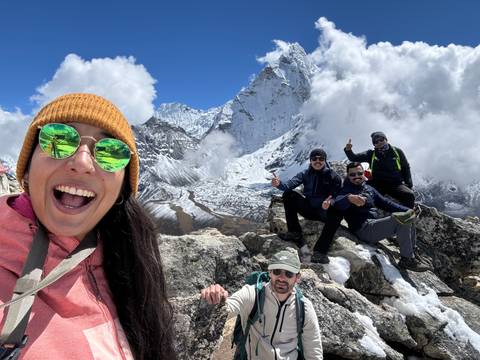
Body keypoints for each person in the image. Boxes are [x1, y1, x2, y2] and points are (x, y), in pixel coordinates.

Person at [0, 93, 176, 359]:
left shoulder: (131, 264)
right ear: (25, 169)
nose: (81, 163)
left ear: (122, 188)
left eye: (111, 152)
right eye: (58, 139)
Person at [201, 250, 323, 359]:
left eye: (289, 274)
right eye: (277, 271)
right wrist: (216, 295)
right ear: (270, 273)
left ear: (297, 278)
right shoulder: (253, 294)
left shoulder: (304, 307)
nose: (281, 278)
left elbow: (313, 349)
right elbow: (228, 305)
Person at [333, 162, 428, 272]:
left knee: (408, 216)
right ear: (348, 176)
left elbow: (386, 203)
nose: (356, 177)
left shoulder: (368, 188)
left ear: (363, 173)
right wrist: (348, 198)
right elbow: (337, 203)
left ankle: (411, 251)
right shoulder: (346, 190)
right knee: (401, 220)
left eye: (359, 173)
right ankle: (407, 259)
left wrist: (408, 210)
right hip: (363, 230)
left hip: (373, 225)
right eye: (352, 175)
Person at [271, 149, 342, 263]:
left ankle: (320, 252)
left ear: (325, 160)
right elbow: (289, 185)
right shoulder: (305, 174)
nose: (317, 161)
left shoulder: (334, 177)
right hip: (309, 209)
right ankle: (295, 232)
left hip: (325, 211)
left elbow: (338, 197)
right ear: (310, 160)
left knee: (337, 215)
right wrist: (279, 184)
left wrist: (330, 203)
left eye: (321, 159)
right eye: (314, 159)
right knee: (289, 194)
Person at [344, 131, 415, 208]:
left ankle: (407, 215)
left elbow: (405, 167)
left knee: (409, 195)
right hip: (377, 184)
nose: (379, 142)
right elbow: (353, 158)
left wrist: (409, 184)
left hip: (395, 184)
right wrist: (348, 150)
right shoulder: (370, 154)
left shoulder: (397, 152)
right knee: (366, 196)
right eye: (376, 142)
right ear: (374, 144)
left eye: (381, 140)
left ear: (386, 139)